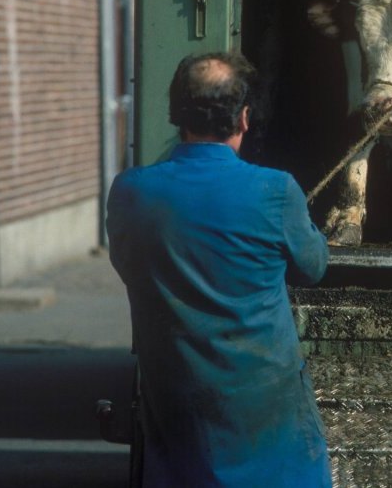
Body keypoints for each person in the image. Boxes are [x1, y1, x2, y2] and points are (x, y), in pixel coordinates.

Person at [107, 51, 331, 487]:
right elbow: (313, 267)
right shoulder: (276, 191)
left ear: (177, 115)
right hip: (267, 410)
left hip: (176, 405)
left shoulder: (130, 193)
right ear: (244, 118)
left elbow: (128, 264)